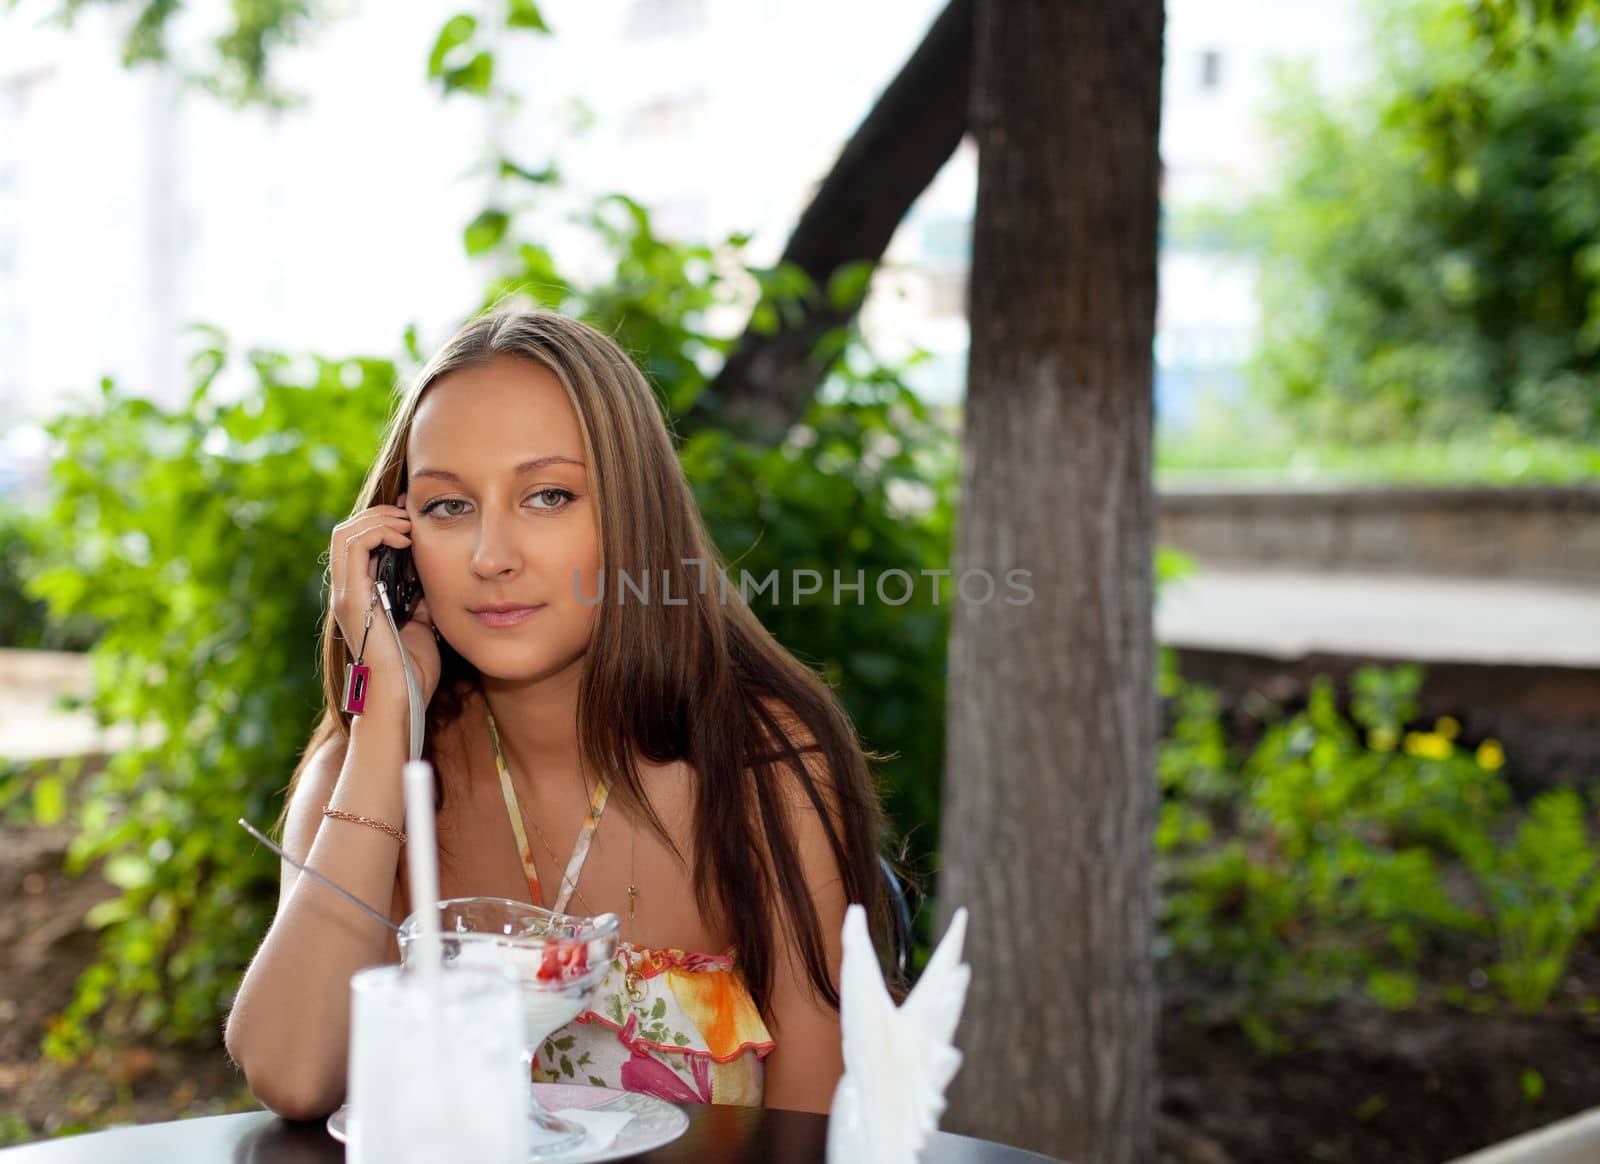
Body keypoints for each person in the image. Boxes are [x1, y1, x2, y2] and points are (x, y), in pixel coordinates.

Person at [224, 309, 895, 1120]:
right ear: (396, 549)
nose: (492, 556)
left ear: (632, 518)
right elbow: (293, 1077)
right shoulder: (358, 775)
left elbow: (821, 1133)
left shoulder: (761, 770)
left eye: (548, 496)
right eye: (447, 507)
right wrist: (383, 724)